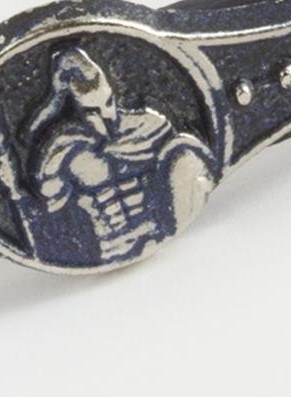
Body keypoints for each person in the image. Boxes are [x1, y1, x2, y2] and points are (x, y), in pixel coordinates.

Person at [23, 46, 213, 266]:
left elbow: (186, 161)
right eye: (92, 111)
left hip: (158, 235)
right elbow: (50, 203)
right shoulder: (64, 148)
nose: (107, 116)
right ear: (73, 108)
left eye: (108, 102)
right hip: (111, 248)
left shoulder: (149, 127)